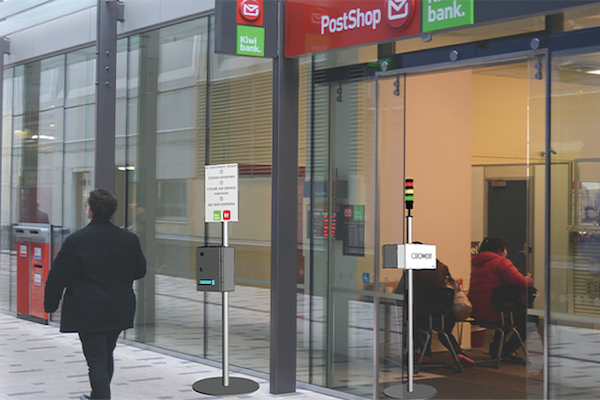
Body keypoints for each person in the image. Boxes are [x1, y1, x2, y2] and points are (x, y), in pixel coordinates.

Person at [44, 188, 147, 400]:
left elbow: (58, 276)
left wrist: (50, 305)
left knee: (97, 361)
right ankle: (96, 395)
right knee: (105, 354)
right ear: (112, 211)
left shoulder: (78, 240)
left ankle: (100, 397)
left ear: (90, 210)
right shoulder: (129, 239)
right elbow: (140, 270)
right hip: (120, 309)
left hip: (89, 311)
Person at [397, 256, 475, 368]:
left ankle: (425, 354)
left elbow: (399, 292)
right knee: (444, 331)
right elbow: (454, 286)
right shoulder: (442, 267)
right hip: (445, 313)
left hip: (421, 314)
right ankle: (459, 353)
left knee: (417, 322)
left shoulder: (411, 271)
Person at [468, 237, 533, 361]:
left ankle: (497, 349)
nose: (506, 253)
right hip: (494, 310)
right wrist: (529, 278)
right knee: (530, 320)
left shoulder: (478, 265)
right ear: (499, 250)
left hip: (478, 311)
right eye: (505, 250)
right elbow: (520, 281)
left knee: (508, 315)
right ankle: (506, 350)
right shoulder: (500, 262)